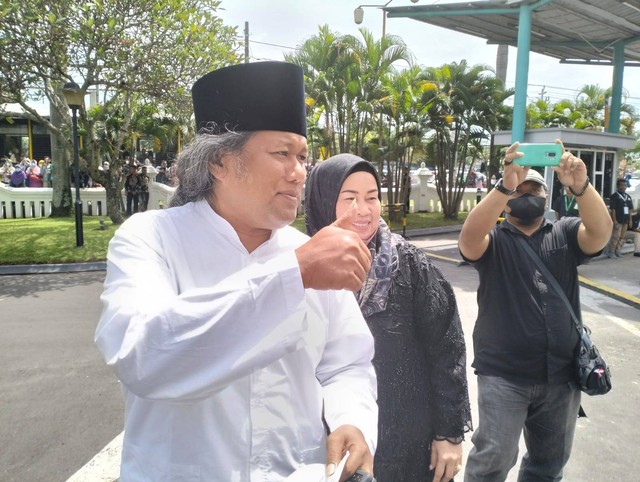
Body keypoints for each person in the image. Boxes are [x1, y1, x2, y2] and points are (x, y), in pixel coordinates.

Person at [94, 61, 378, 482]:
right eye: (282, 153)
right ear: (219, 162)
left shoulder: (305, 251)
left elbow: (347, 362)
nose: (300, 172)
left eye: (303, 156)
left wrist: (351, 419)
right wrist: (293, 275)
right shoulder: (151, 238)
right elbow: (141, 355)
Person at [305, 154, 472, 482]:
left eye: (372, 198)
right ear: (323, 201)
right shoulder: (303, 267)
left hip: (408, 440)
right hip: (331, 439)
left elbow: (447, 348)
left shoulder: (408, 265)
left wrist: (449, 435)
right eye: (350, 198)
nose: (364, 210)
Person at [458, 141, 612, 482]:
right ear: (507, 199)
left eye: (534, 189)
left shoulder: (566, 232)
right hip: (504, 375)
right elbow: (468, 239)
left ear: (546, 196)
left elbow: (601, 233)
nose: (526, 194)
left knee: (548, 465)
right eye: (519, 189)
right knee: (492, 460)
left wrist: (582, 187)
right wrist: (504, 185)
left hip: (561, 376)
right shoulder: (493, 240)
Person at [606, 178, 635, 258]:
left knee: (621, 237)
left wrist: (630, 220)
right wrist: (614, 220)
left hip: (625, 221)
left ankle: (617, 250)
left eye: (625, 185)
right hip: (618, 220)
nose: (623, 187)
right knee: (615, 236)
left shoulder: (628, 197)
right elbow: (613, 209)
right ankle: (611, 251)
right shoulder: (614, 196)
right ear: (618, 186)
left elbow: (630, 210)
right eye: (621, 185)